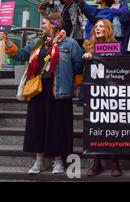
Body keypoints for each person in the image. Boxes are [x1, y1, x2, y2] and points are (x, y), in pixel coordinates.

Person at [0, 13, 83, 175]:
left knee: (58, 125)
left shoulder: (70, 43)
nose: (42, 25)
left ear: (54, 25)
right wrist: (7, 41)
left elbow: (79, 66)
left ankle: (58, 160)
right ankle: (39, 160)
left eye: (44, 23)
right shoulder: (36, 43)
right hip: (38, 89)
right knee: (37, 125)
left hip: (59, 89)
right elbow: (20, 55)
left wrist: (77, 85)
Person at [81, 19, 123, 177]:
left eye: (101, 26)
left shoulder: (116, 47)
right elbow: (79, 69)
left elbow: (122, 66)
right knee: (94, 127)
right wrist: (87, 56)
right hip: (93, 93)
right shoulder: (87, 45)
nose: (97, 29)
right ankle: (96, 161)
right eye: (96, 27)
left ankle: (114, 161)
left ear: (108, 30)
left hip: (111, 92)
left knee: (113, 128)